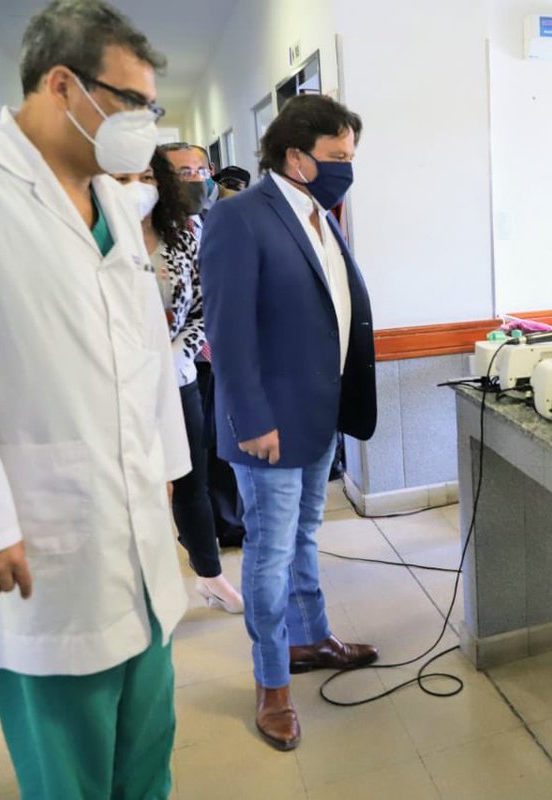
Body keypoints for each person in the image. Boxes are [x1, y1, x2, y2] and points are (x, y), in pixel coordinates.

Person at [0, 2, 189, 796]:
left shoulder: (117, 207)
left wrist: (164, 463)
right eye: (132, 103)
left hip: (134, 527)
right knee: (71, 768)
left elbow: (148, 350)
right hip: (37, 538)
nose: (145, 126)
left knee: (146, 751)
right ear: (64, 84)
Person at [200, 94, 378, 751]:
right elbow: (227, 328)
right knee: (269, 553)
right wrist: (249, 419)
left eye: (351, 158)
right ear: (296, 155)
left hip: (315, 415)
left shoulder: (319, 216)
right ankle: (271, 681)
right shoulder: (241, 218)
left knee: (305, 534)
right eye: (337, 157)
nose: (346, 169)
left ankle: (309, 638)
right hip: (267, 426)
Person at [113, 152, 245, 613]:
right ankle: (139, 587)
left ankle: (210, 576)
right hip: (116, 385)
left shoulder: (182, 235)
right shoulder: (98, 241)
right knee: (134, 486)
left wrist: (178, 356)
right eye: (122, 178)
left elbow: (202, 308)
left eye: (147, 176)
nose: (136, 187)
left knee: (191, 479)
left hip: (177, 377)